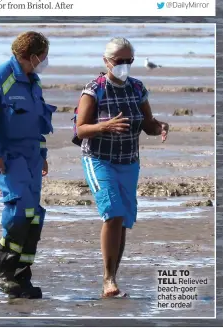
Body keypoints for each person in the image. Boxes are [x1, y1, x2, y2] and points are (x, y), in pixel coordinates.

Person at [75, 37, 169, 299]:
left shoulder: (138, 88)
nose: (124, 66)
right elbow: (81, 129)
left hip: (129, 161)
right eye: (119, 61)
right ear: (106, 62)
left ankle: (114, 276)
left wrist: (159, 127)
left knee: (124, 220)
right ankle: (108, 279)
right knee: (113, 213)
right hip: (98, 159)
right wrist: (104, 127)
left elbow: (147, 123)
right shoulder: (94, 88)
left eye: (129, 61)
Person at [0, 31, 56, 299]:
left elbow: (38, 122)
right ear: (32, 55)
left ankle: (22, 275)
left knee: (34, 214)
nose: (45, 61)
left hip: (31, 155)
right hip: (8, 156)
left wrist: (42, 153)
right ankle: (3, 266)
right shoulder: (0, 77)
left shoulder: (34, 81)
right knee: (20, 207)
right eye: (43, 56)